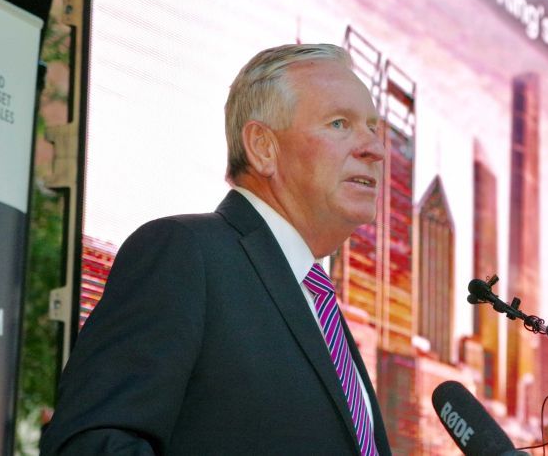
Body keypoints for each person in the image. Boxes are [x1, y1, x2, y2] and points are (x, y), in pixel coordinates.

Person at [40, 43, 391, 455]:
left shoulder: (318, 303)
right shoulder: (185, 254)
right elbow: (93, 445)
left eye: (373, 128)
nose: (375, 150)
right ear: (263, 146)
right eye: (339, 123)